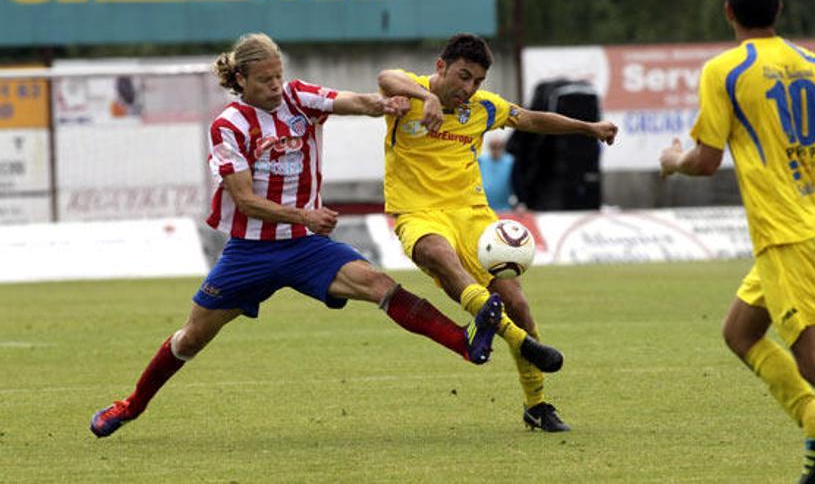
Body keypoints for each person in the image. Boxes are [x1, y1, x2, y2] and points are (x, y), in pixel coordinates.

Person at [89, 33, 504, 438]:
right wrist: (304, 214)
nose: (276, 86)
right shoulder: (227, 127)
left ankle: (466, 343)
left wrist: (384, 103)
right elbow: (246, 201)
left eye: (279, 76)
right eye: (266, 80)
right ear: (242, 81)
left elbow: (352, 101)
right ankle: (131, 405)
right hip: (249, 253)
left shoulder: (297, 98)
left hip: (305, 247)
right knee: (191, 338)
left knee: (380, 285)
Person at [659, 0, 815, 482]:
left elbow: (707, 158)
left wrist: (674, 162)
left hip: (786, 240)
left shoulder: (725, 70)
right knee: (740, 333)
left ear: (729, 11)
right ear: (779, 9)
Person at [377, 33, 618, 432]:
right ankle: (516, 338)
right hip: (419, 214)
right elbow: (386, 76)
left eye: (477, 82)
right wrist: (428, 99)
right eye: (463, 76)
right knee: (441, 256)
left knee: (517, 303)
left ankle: (537, 405)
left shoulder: (483, 109)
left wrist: (588, 127)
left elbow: (531, 118)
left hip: (472, 216)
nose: (469, 89)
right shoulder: (410, 94)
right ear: (441, 67)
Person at [478, 136, 515, 212]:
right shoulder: (481, 160)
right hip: (484, 208)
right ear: (489, 147)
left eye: (499, 147)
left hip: (505, 208)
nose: (496, 150)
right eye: (493, 147)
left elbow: (517, 183)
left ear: (503, 147)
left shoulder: (510, 161)